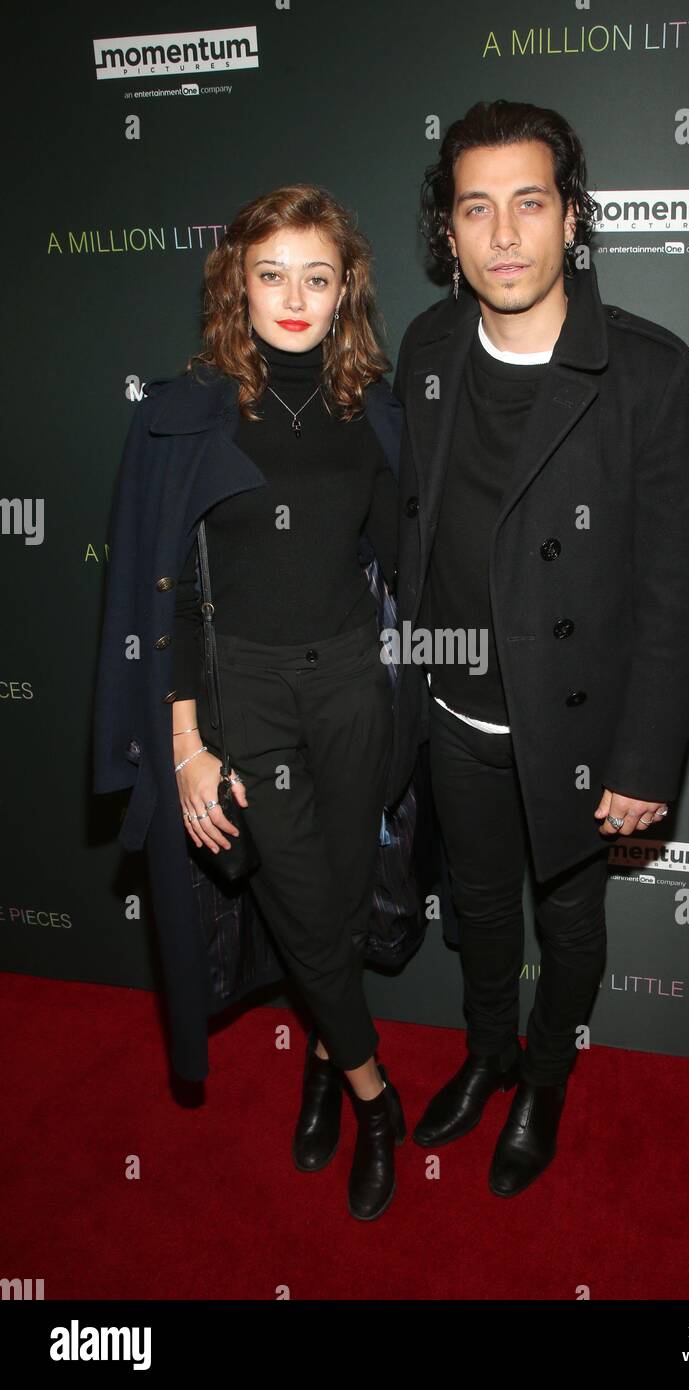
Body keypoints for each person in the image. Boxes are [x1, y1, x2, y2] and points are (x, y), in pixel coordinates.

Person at [388, 99, 689, 1197]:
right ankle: (488, 1052)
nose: (506, 234)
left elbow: (675, 591)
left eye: (531, 202)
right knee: (478, 909)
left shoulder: (651, 374)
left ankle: (547, 1078)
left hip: (574, 728)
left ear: (572, 216)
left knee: (568, 918)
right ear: (450, 231)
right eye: (476, 209)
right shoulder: (429, 346)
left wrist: (644, 761)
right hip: (454, 715)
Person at [96, 185, 407, 1222]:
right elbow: (164, 595)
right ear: (237, 282)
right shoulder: (189, 414)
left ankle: (323, 1062)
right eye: (271, 273)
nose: (294, 296)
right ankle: (374, 1094)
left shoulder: (377, 410)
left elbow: (405, 562)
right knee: (302, 901)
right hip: (247, 692)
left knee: (347, 891)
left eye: (317, 276)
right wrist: (183, 746)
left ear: (344, 289)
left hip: (355, 684)